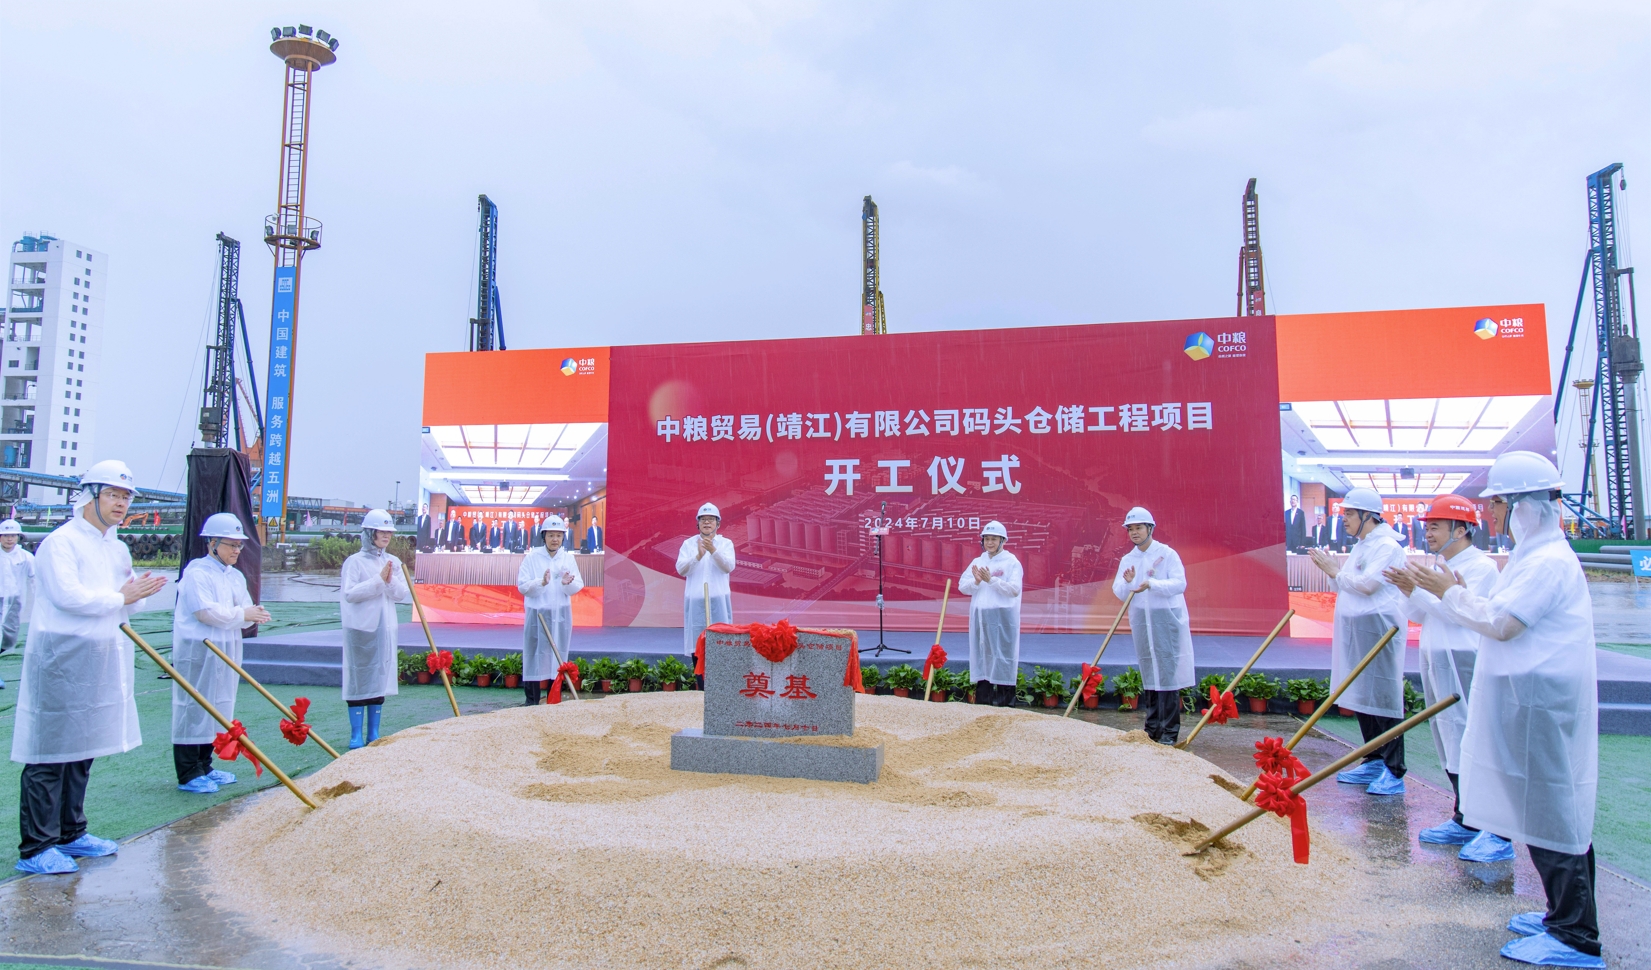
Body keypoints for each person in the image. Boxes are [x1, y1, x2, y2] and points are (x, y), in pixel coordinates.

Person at [1403, 453, 1603, 968]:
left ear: (1524, 506)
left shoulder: (1547, 561)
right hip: (1529, 699)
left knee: (1555, 810)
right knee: (1542, 808)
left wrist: (1450, 593)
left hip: (1542, 702)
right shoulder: (1531, 556)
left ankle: (1576, 935)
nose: (1489, 514)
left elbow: (1504, 623)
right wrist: (1450, 595)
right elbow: (1497, 617)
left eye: (1496, 504)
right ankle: (1562, 916)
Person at [10, 459, 168, 874]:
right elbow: (69, 597)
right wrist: (122, 596)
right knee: (50, 752)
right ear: (90, 495)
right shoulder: (61, 543)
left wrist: (137, 593)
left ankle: (71, 832)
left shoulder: (116, 547)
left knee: (83, 750)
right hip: (62, 656)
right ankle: (37, 847)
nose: (121, 503)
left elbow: (127, 600)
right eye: (113, 494)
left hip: (101, 655)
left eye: (126, 497)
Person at [1383, 494, 1501, 846]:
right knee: (1446, 733)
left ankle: (1480, 820)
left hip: (1462, 657)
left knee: (1466, 733)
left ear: (1460, 530)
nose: (1429, 533)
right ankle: (1463, 815)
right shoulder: (1438, 567)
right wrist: (1409, 589)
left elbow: (1461, 613)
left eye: (1435, 526)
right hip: (1436, 656)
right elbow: (1421, 614)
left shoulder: (1481, 567)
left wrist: (1420, 592)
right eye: (1428, 526)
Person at [1309, 487, 1409, 796]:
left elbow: (1367, 585)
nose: (1345, 519)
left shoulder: (1388, 547)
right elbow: (1345, 584)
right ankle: (1374, 759)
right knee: (1363, 693)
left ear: (1369, 515)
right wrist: (1333, 572)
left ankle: (1394, 769)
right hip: (1358, 631)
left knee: (1383, 696)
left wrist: (1335, 571)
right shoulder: (1363, 545)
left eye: (1350, 514)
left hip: (1380, 632)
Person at [170, 513, 272, 793]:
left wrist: (252, 615)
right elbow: (205, 612)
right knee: (193, 706)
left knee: (219, 705)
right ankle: (188, 772)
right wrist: (243, 614)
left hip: (226, 646)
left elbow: (246, 609)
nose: (237, 550)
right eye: (231, 545)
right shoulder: (197, 573)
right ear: (212, 543)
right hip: (200, 649)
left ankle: (206, 764)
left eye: (239, 545)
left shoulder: (235, 576)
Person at [1110, 507, 1193, 743]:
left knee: (1167, 673)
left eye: (1138, 528)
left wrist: (1152, 584)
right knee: (1149, 669)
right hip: (1142, 621)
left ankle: (1169, 732)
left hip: (1165, 619)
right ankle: (1152, 728)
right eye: (1130, 529)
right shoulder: (1128, 559)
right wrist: (1128, 583)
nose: (1134, 533)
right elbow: (1119, 591)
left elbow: (1179, 584)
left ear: (1150, 528)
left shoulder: (1167, 554)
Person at [340, 509, 410, 749]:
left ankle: (374, 732)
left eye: (389, 532)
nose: (386, 536)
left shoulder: (393, 562)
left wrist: (389, 580)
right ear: (370, 533)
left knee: (380, 677)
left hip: (384, 628)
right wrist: (378, 580)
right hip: (360, 628)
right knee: (358, 678)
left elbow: (401, 594)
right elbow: (350, 594)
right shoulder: (354, 562)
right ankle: (355, 735)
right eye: (381, 532)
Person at [518, 515, 584, 706]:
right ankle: (531, 701)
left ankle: (553, 700)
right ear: (544, 536)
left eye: (558, 535)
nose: (555, 539)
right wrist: (541, 582)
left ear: (563, 537)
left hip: (560, 616)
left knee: (557, 656)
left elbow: (578, 584)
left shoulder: (568, 558)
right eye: (551, 535)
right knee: (534, 655)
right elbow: (522, 586)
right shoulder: (532, 557)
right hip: (537, 616)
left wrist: (567, 584)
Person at [961, 520, 1023, 707]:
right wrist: (977, 581)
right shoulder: (978, 561)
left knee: (1003, 658)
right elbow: (963, 586)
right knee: (982, 657)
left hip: (1003, 619)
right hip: (981, 618)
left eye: (994, 539)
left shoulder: (1011, 562)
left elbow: (1014, 590)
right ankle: (983, 704)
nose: (989, 543)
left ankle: (1006, 705)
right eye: (986, 539)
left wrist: (992, 580)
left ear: (1003, 541)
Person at [677, 504, 735, 676]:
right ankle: (701, 684)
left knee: (721, 642)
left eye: (711, 519)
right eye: (703, 519)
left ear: (718, 524)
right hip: (696, 603)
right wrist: (698, 556)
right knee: (697, 644)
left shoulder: (725, 544)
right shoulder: (688, 544)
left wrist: (713, 551)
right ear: (698, 523)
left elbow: (728, 567)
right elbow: (681, 570)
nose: (707, 523)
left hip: (718, 602)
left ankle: (720, 681)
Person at [0, 518, 36, 689]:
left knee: (9, 637)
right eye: (6, 535)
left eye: (13, 535)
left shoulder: (26, 557)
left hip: (14, 601)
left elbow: (35, 579)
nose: (9, 539)